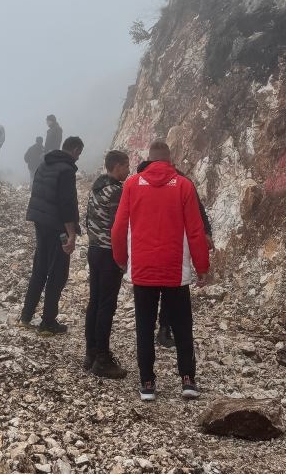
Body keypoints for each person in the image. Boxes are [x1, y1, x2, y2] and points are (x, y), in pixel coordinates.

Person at [112, 140, 210, 401]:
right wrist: (202, 266)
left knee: (144, 327)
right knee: (182, 326)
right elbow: (196, 230)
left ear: (149, 159)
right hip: (175, 269)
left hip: (143, 269)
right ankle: (188, 380)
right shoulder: (184, 185)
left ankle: (147, 383)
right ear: (169, 160)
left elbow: (119, 227)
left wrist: (121, 259)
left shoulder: (132, 184)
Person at [136, 156, 215, 349]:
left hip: (158, 251)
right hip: (172, 251)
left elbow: (197, 211)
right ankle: (165, 330)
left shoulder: (177, 182)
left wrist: (205, 233)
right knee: (170, 291)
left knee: (154, 298)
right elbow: (198, 211)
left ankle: (155, 338)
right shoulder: (181, 182)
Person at [18, 136, 84, 336]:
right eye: (79, 154)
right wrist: (71, 234)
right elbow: (67, 204)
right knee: (58, 273)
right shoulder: (66, 170)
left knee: (40, 268)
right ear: (74, 150)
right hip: (58, 228)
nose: (78, 158)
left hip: (40, 223)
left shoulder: (44, 163)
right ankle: (47, 323)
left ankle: (26, 316)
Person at [84, 150, 131, 379]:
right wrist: (122, 257)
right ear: (117, 166)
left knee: (95, 302)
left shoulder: (97, 187)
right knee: (106, 305)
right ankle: (102, 359)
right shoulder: (116, 192)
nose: (128, 171)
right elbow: (118, 226)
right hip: (108, 252)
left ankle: (91, 353)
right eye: (126, 166)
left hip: (94, 249)